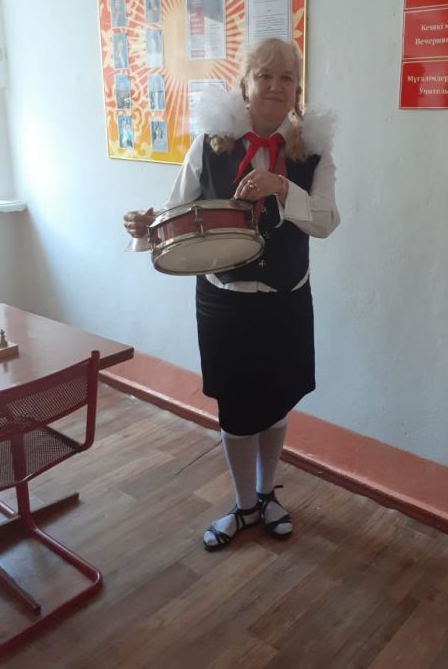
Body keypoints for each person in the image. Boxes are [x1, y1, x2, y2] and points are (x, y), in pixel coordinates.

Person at [123, 38, 339, 551]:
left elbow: (327, 222)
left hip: (286, 297)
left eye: (287, 78)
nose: (275, 86)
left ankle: (267, 495)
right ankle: (244, 506)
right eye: (264, 75)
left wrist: (282, 188)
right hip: (225, 301)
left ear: (297, 90)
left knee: (277, 400)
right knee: (238, 409)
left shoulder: (313, 153)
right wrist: (144, 228)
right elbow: (177, 212)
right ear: (245, 84)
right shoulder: (210, 143)